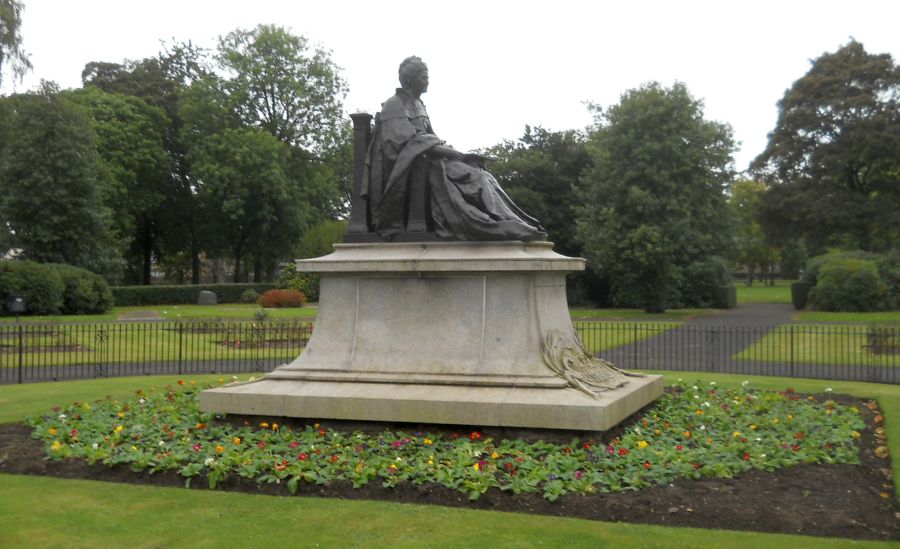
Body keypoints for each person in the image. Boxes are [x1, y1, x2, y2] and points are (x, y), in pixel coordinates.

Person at [361, 56, 545, 241]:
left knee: (481, 172)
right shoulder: (395, 103)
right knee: (476, 177)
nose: (428, 81)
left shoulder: (418, 105)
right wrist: (450, 153)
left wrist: (462, 155)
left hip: (432, 160)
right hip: (414, 170)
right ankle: (496, 223)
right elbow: (404, 141)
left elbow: (429, 138)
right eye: (424, 77)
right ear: (409, 80)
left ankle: (508, 220)